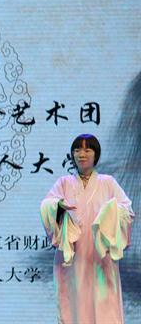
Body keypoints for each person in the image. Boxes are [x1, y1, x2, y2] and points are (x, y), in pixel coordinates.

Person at [40, 134, 134, 324]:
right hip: (73, 256)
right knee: (74, 305)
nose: (81, 154)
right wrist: (59, 209)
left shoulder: (108, 182)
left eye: (87, 150)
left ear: (95, 154)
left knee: (104, 305)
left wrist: (110, 214)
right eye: (77, 150)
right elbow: (46, 206)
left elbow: (127, 211)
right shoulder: (64, 183)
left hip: (100, 256)